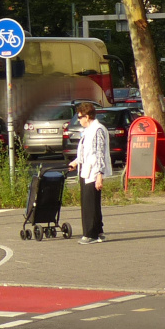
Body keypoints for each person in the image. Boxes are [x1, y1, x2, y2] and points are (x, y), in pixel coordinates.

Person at [67, 100, 110, 243]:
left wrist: (99, 175)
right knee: (92, 202)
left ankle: (90, 234)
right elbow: (85, 152)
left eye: (79, 117)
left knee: (89, 203)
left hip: (93, 172)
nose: (78, 120)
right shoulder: (88, 131)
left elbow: (99, 154)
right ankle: (98, 230)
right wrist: (75, 162)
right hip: (86, 171)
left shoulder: (97, 130)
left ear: (87, 116)